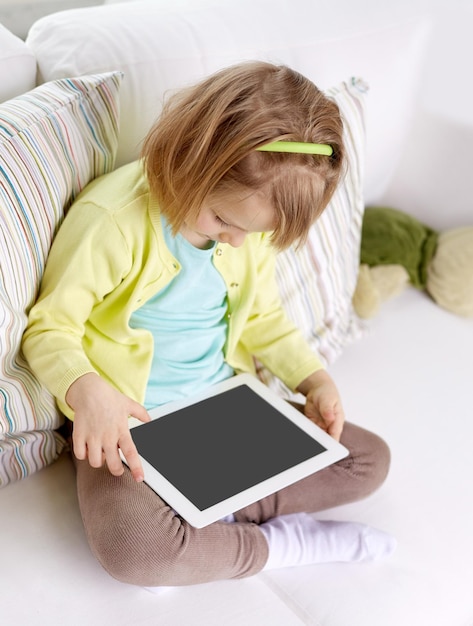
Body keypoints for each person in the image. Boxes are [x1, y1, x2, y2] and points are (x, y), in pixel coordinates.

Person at [22, 61, 395, 587]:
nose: (238, 242)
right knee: (138, 552)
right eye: (224, 221)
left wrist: (311, 379)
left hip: (223, 411)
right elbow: (50, 328)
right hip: (132, 428)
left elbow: (263, 317)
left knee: (367, 461)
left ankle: (208, 517)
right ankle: (278, 544)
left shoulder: (244, 230)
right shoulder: (112, 220)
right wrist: (87, 393)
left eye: (253, 232)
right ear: (189, 157)